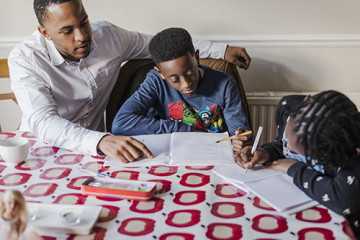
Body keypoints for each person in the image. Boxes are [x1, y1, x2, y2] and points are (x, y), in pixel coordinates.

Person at [8, 0, 251, 163]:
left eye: (83, 22)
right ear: (45, 33)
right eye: (67, 30)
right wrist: (100, 139)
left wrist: (222, 49)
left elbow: (158, 45)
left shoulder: (109, 36)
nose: (82, 36)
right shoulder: (25, 58)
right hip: (43, 150)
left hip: (99, 151)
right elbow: (44, 121)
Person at [235, 90, 360, 239]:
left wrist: (293, 168)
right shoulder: (287, 108)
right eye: (289, 139)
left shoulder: (348, 152)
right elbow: (281, 146)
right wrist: (266, 152)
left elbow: (344, 200)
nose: (291, 149)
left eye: (303, 151)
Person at [111, 27, 251, 141]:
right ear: (160, 73)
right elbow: (120, 123)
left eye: (190, 72)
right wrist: (184, 129)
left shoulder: (225, 84)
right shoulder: (155, 81)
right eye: (175, 79)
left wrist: (241, 143)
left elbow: (239, 135)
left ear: (197, 58)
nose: (186, 84)